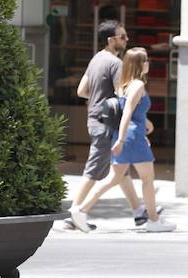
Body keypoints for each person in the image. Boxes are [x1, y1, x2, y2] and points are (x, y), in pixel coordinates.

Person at [70, 47, 175, 233]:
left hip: (129, 135)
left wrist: (125, 136)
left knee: (114, 178)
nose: (148, 63)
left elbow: (130, 114)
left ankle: (81, 210)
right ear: (138, 64)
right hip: (132, 137)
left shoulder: (123, 86)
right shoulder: (138, 85)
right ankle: (153, 220)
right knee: (147, 179)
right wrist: (122, 139)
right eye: (145, 60)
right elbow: (127, 113)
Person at [68, 20, 153, 230]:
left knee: (120, 170)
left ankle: (139, 211)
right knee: (95, 168)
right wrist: (142, 121)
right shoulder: (116, 64)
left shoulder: (96, 59)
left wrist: (99, 100)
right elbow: (125, 97)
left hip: (95, 118)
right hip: (106, 123)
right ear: (110, 40)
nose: (126, 40)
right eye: (122, 37)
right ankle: (74, 214)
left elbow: (82, 91)